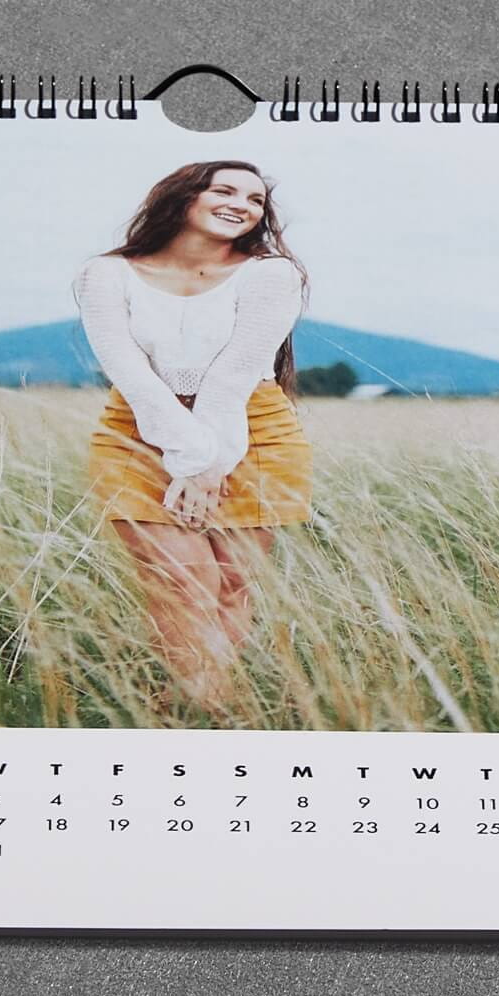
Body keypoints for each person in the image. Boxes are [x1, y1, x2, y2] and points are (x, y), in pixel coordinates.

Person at [72, 160, 312, 712]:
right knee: (185, 581)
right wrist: (191, 458)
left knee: (232, 583)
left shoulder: (272, 274)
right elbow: (130, 374)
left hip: (256, 429)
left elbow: (230, 381)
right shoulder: (106, 274)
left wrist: (209, 462)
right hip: (139, 428)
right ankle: (207, 713)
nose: (241, 204)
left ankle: (190, 712)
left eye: (254, 200)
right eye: (224, 190)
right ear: (183, 197)